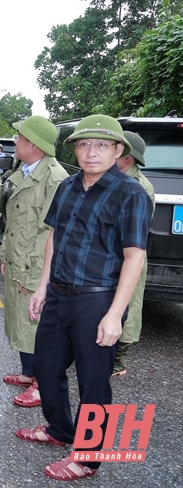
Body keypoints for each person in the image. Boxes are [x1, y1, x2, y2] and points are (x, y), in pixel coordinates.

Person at [15, 115, 152, 481]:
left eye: (102, 145)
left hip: (98, 299)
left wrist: (114, 314)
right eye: (84, 144)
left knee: (94, 382)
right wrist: (42, 286)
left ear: (118, 150)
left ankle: (89, 459)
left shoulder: (130, 193)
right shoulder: (69, 186)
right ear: (74, 149)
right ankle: (60, 429)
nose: (92, 152)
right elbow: (55, 236)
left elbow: (134, 256)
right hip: (58, 293)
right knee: (45, 366)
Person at [0, 116, 68, 409]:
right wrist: (5, 255)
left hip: (35, 264)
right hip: (18, 259)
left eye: (20, 138)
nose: (16, 142)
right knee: (21, 319)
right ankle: (29, 373)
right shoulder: (26, 171)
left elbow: (52, 232)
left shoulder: (54, 178)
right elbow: (13, 221)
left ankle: (43, 384)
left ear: (35, 145)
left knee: (39, 325)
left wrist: (38, 271)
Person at [113, 130, 155, 376]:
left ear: (128, 158)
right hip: (113, 254)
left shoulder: (138, 186)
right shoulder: (115, 179)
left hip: (128, 253)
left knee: (128, 304)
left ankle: (119, 361)